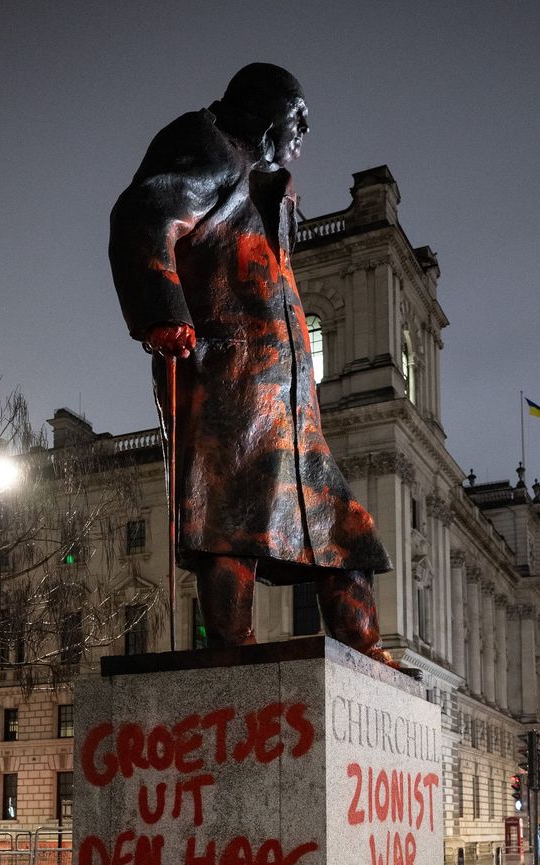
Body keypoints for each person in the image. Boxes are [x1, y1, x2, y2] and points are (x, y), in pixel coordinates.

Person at [109, 63, 408, 671]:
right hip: (225, 373)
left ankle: (363, 648)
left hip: (287, 397)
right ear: (268, 112)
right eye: (298, 120)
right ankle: (232, 648)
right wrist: (162, 309)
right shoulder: (207, 144)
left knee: (342, 526)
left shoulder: (269, 184)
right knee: (228, 516)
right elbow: (144, 215)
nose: (303, 135)